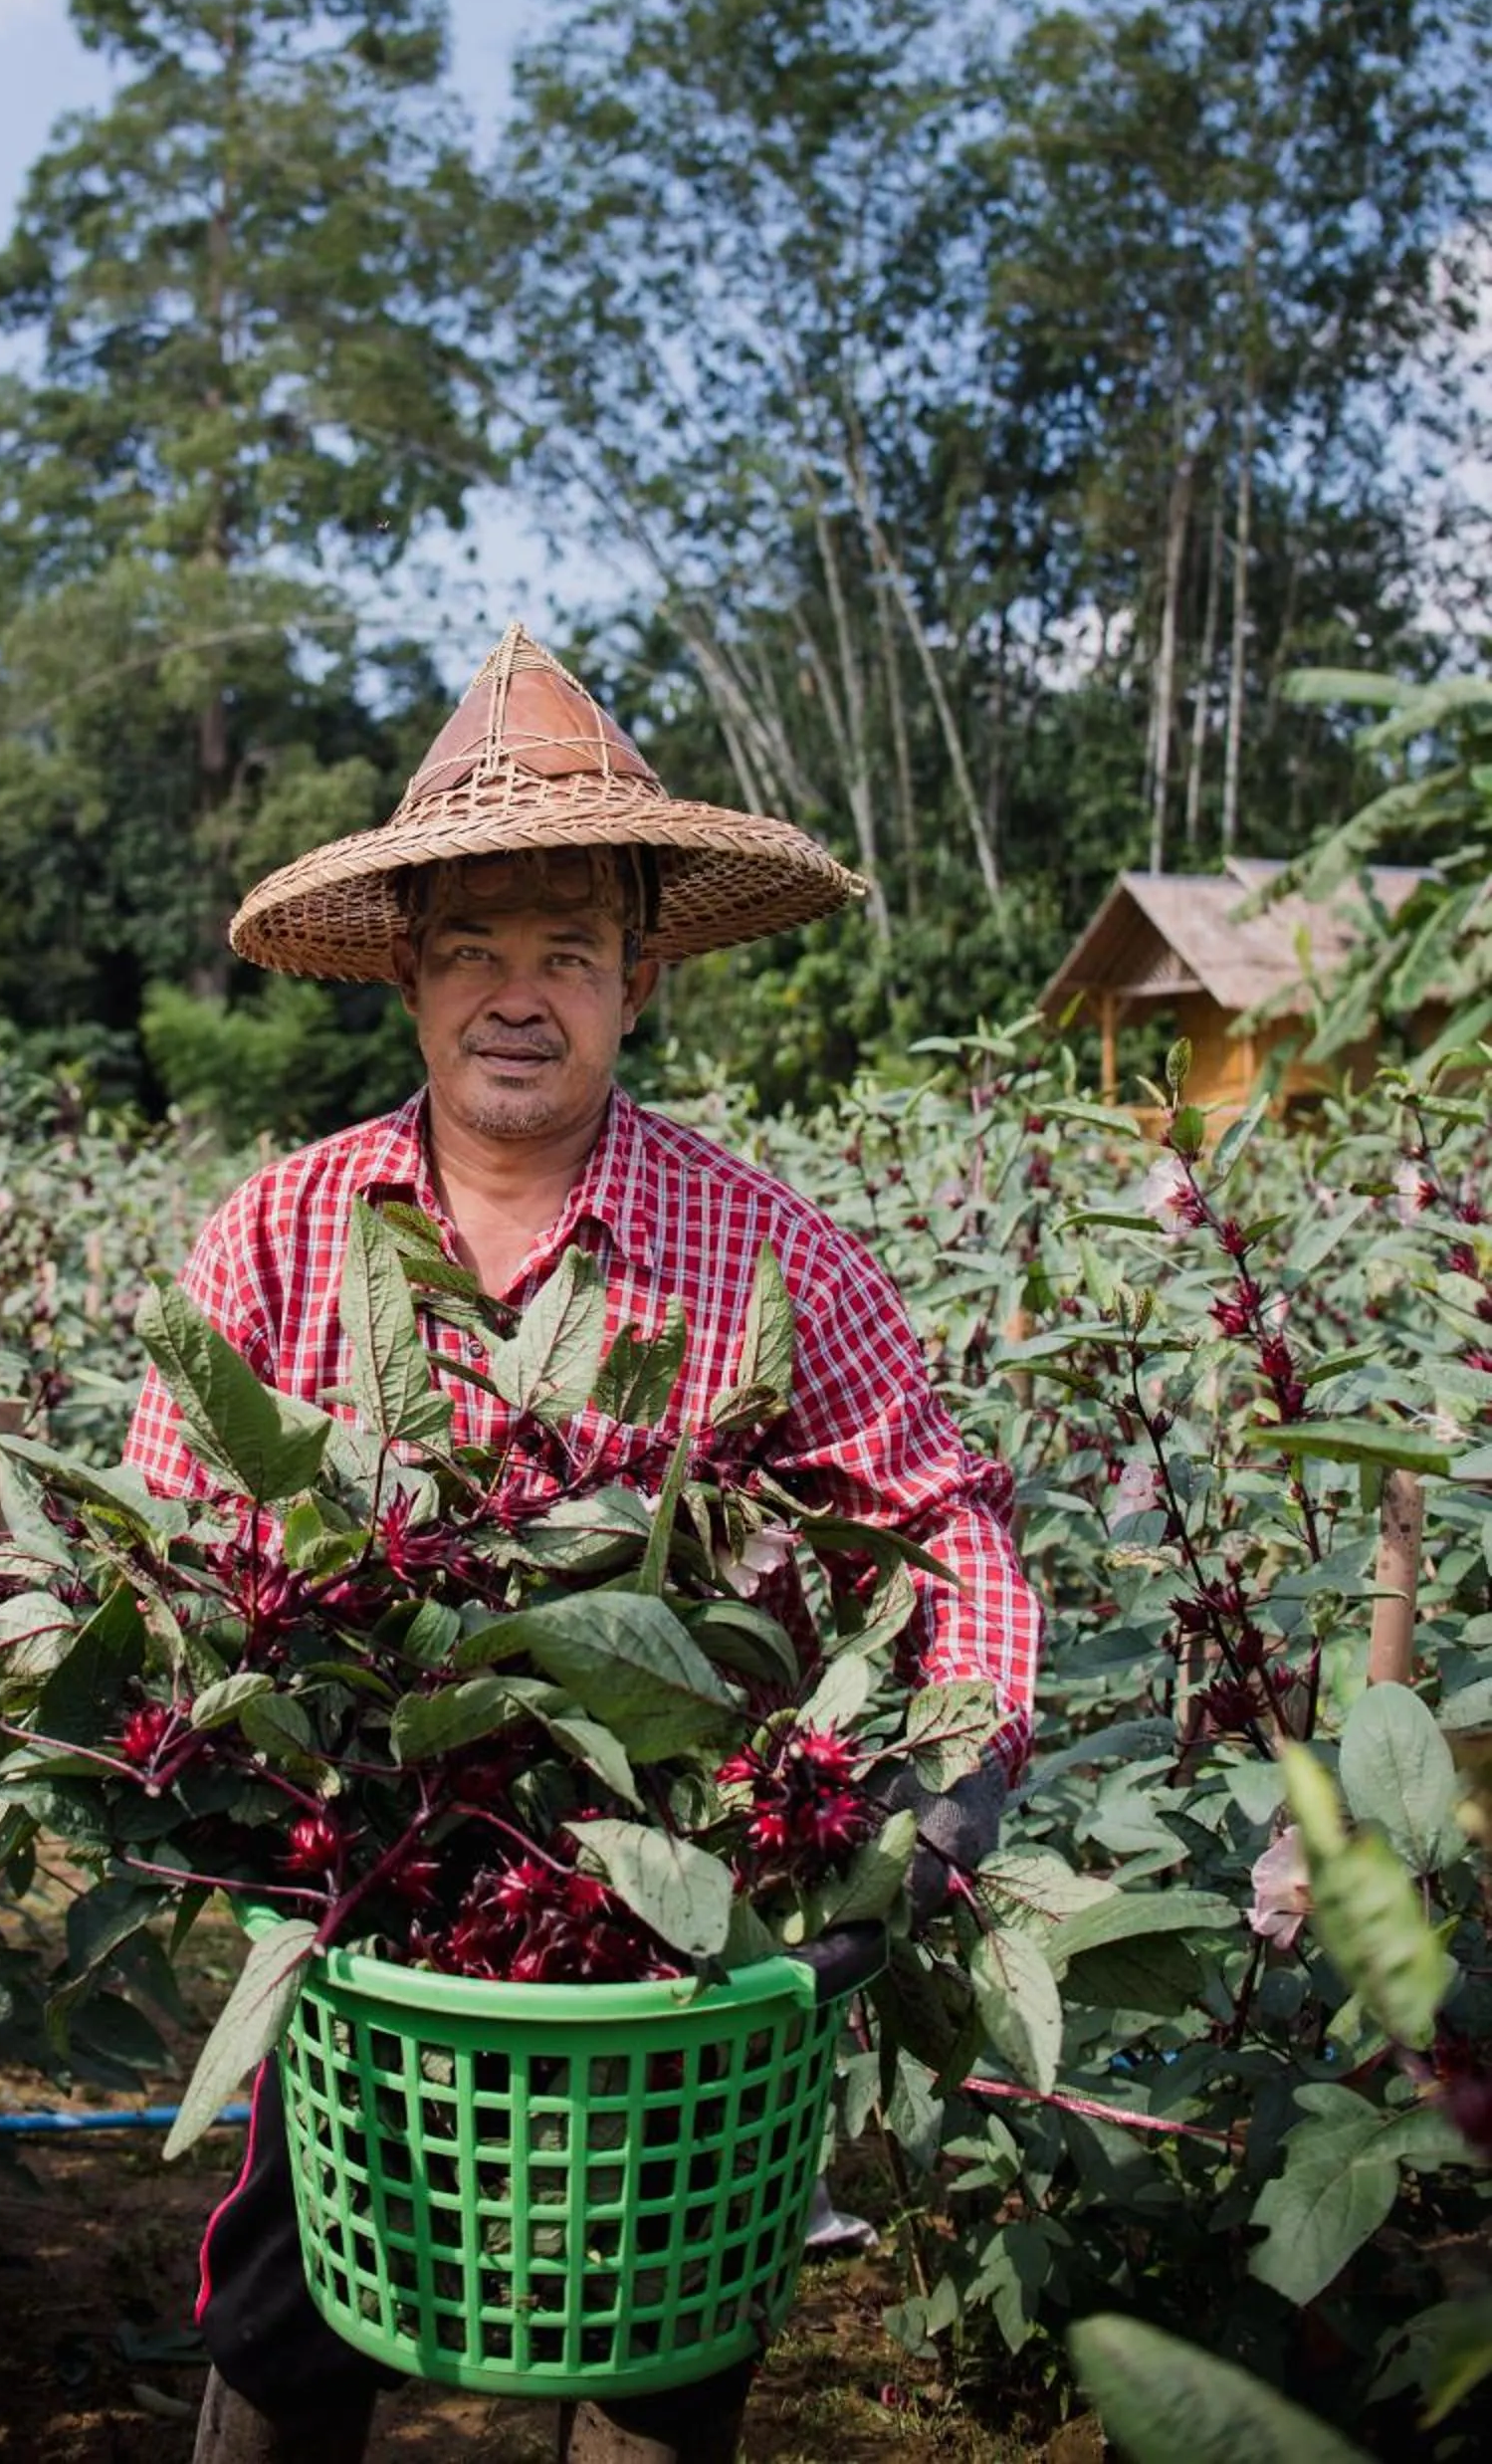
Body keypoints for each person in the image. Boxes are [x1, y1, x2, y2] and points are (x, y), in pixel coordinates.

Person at [122, 627, 1039, 2464]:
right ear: (407, 974)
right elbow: (167, 1563)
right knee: (288, 2331)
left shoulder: (765, 1248)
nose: (515, 996)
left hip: (668, 1934)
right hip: (373, 1905)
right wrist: (212, 1753)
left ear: (638, 978)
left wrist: (940, 1805)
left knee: (653, 2336)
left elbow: (947, 1528)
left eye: (565, 952)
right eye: (472, 949)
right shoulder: (279, 1236)